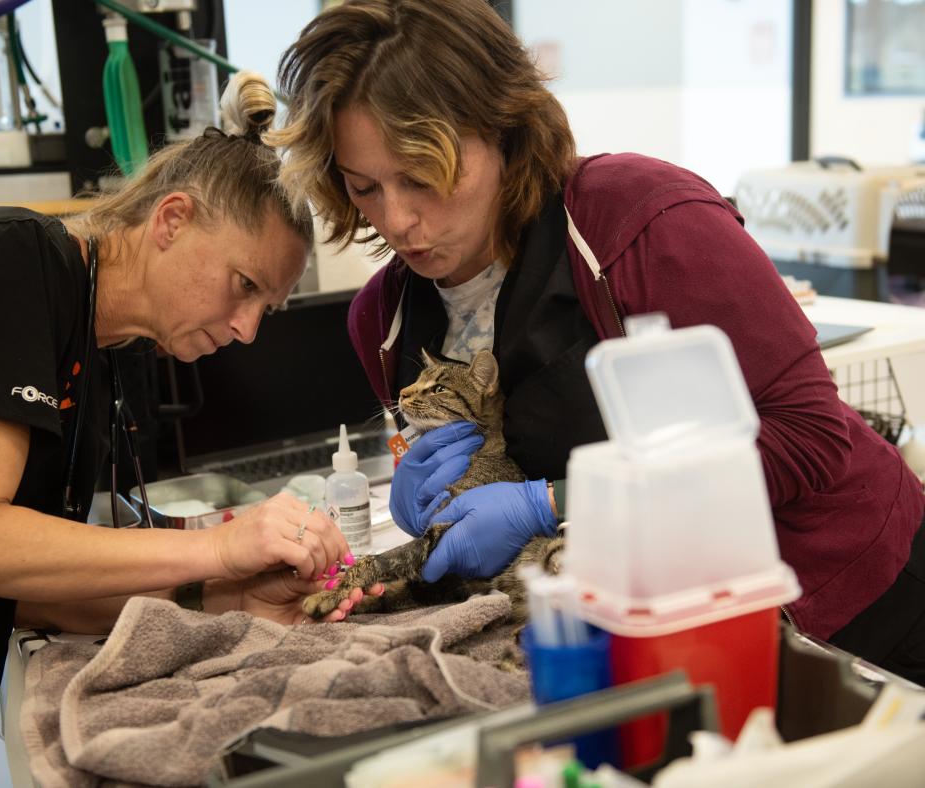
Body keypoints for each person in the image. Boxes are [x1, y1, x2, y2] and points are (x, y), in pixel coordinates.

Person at [274, 0, 925, 684]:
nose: (400, 220)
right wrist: (424, 505)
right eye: (365, 188)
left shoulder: (642, 223)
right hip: (640, 634)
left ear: (504, 130)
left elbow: (809, 439)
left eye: (423, 175)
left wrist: (558, 500)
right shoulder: (385, 321)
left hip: (846, 604)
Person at [0, 71, 381, 777]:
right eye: (244, 287)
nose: (248, 330)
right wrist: (217, 551)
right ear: (172, 220)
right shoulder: (11, 261)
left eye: (267, 309)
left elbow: (28, 587)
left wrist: (226, 601)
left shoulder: (102, 359)